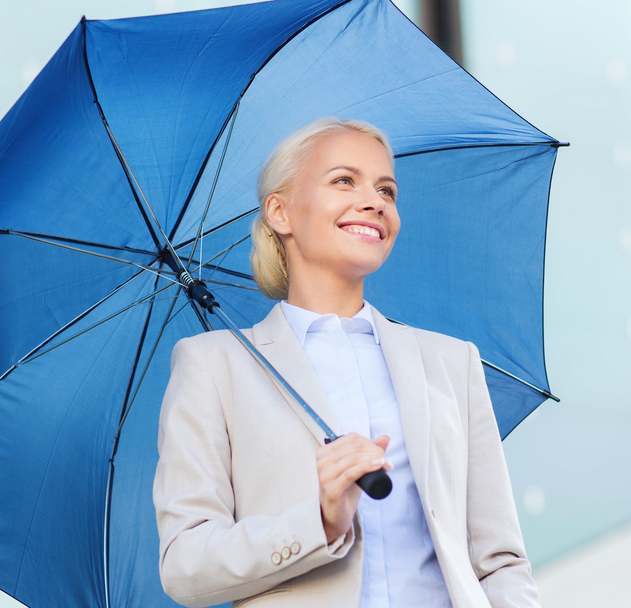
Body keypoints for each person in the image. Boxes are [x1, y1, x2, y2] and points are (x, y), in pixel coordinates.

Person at [153, 117, 539, 607]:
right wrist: (320, 519)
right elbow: (186, 565)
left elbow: (499, 561)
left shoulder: (451, 362)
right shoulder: (214, 365)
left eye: (387, 190)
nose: (375, 201)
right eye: (343, 180)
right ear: (280, 211)